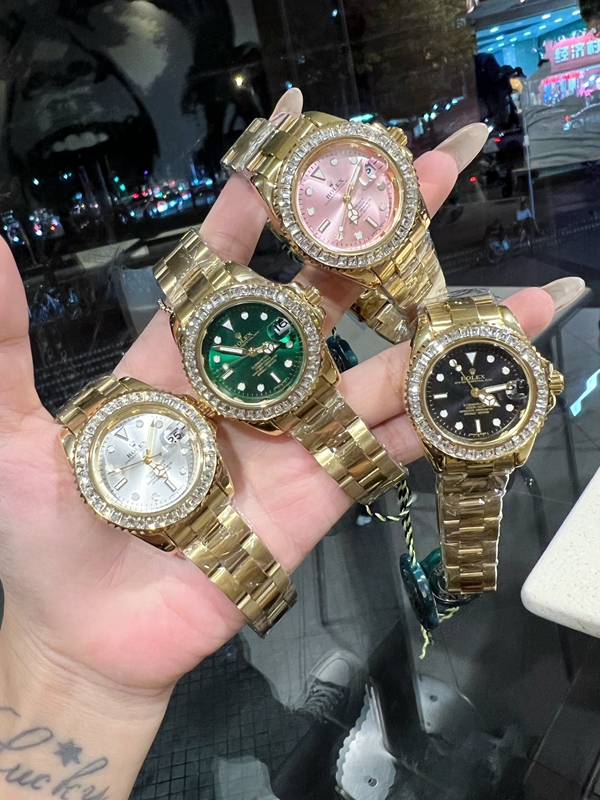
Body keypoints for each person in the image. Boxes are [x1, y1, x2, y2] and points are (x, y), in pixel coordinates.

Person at [0, 88, 580, 799]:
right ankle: (335, 723)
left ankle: (337, 720)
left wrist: (67, 674)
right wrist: (68, 669)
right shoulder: (210, 401)